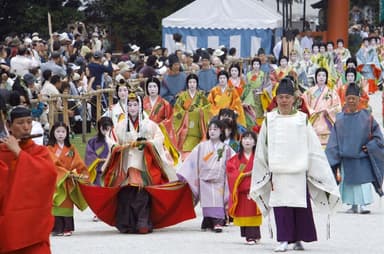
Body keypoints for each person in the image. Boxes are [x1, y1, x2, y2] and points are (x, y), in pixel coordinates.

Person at [249, 79, 340, 252]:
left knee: (299, 205)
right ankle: (283, 239)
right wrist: (264, 169)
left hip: (298, 169)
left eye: (287, 97)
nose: (284, 100)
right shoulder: (270, 119)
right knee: (281, 205)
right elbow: (262, 147)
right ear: (276, 99)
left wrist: (318, 170)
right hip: (278, 170)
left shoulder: (301, 119)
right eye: (281, 97)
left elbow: (313, 147)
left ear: (294, 99)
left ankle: (298, 239)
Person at [102, 92, 178, 234]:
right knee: (126, 193)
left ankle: (143, 223)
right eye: (129, 105)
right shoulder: (119, 126)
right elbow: (111, 140)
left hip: (144, 164)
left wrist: (147, 143)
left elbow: (159, 139)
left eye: (135, 105)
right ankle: (126, 224)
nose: (132, 108)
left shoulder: (150, 125)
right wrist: (119, 147)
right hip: (126, 163)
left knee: (142, 194)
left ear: (140, 106)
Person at [0, 106, 57, 253]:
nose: (26, 127)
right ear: (8, 125)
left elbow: (49, 175)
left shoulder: (40, 152)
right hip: (7, 224)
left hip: (33, 224)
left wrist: (18, 152)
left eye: (29, 122)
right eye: (20, 123)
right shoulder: (2, 153)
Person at [325, 83, 384, 214]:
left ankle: (362, 205)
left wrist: (370, 147)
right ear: (345, 99)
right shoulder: (340, 119)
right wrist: (332, 156)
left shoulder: (367, 117)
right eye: (349, 98)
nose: (351, 101)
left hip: (362, 159)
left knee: (362, 184)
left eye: (354, 98)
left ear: (359, 99)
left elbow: (378, 138)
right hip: (346, 159)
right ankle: (352, 205)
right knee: (349, 185)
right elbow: (334, 141)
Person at [177, 119, 235, 233]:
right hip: (204, 179)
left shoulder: (226, 149)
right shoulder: (201, 147)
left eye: (215, 129)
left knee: (218, 200)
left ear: (221, 131)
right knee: (208, 201)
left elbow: (234, 162)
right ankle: (208, 221)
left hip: (219, 180)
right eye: (210, 129)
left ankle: (218, 222)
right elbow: (192, 161)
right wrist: (184, 173)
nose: (212, 132)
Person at [48, 122, 89, 237]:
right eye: (58, 132)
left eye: (63, 132)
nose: (60, 134)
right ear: (53, 133)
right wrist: (65, 172)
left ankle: (67, 228)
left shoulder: (71, 148)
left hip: (68, 180)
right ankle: (57, 228)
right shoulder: (50, 148)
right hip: (57, 180)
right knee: (56, 202)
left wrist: (81, 173)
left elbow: (77, 162)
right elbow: (52, 163)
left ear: (67, 133)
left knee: (67, 203)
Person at [226, 131, 262, 245]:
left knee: (253, 212)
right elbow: (231, 171)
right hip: (241, 191)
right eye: (245, 138)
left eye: (251, 139)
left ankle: (253, 236)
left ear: (255, 142)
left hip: (255, 190)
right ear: (240, 141)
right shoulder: (235, 158)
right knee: (244, 212)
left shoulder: (259, 158)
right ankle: (250, 236)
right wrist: (244, 175)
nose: (247, 141)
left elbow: (264, 170)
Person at [173, 73, 211, 159]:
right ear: (187, 84)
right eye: (190, 82)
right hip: (185, 130)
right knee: (186, 152)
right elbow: (177, 109)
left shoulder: (201, 96)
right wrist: (185, 113)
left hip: (198, 129)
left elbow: (207, 107)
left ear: (197, 83)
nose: (192, 84)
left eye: (194, 82)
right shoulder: (182, 96)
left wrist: (201, 111)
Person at [302, 68, 341, 146]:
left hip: (327, 121)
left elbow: (338, 106)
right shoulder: (309, 92)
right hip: (313, 120)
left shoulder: (332, 92)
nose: (321, 77)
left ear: (326, 78)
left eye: (324, 75)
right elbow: (304, 104)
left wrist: (328, 111)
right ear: (315, 77)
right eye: (319, 75)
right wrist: (312, 112)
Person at [85, 116, 114, 186]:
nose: (105, 131)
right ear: (99, 127)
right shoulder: (92, 141)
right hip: (98, 172)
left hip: (112, 171)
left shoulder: (114, 141)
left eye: (108, 128)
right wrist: (99, 160)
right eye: (103, 128)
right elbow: (89, 157)